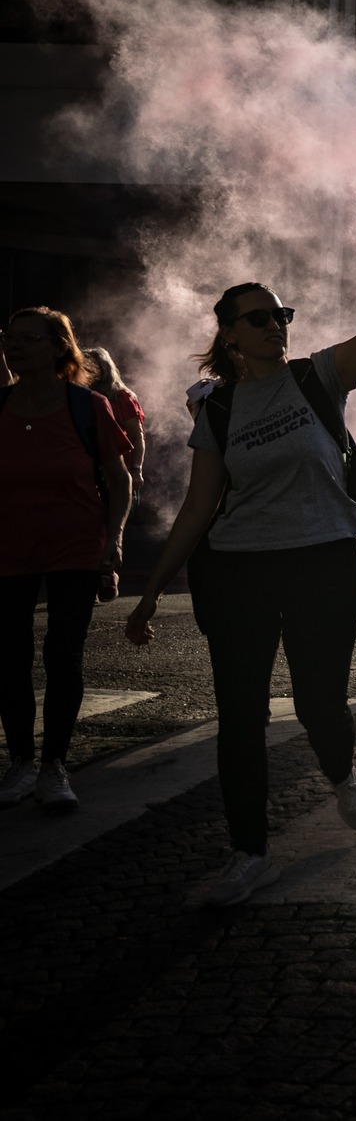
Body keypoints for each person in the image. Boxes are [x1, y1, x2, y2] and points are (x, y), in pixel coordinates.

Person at [125, 195, 356, 905]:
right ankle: (249, 852)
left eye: (282, 314)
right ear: (230, 336)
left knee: (322, 703)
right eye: (261, 317)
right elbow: (201, 505)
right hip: (238, 568)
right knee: (241, 715)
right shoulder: (218, 411)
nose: (277, 326)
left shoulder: (317, 376)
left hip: (323, 556)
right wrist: (149, 593)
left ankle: (341, 769)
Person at [0, 308, 134, 812]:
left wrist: (113, 541)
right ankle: (20, 763)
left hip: (74, 547)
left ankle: (54, 765)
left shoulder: (87, 405)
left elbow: (118, 480)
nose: (15, 347)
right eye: (9, 339)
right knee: (9, 658)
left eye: (29, 339)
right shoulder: (0, 407)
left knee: (62, 654)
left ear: (59, 347)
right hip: (8, 548)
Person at [83, 346, 146, 490]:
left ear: (103, 370)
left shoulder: (122, 398)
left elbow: (136, 436)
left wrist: (136, 470)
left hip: (119, 470)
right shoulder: (80, 397)